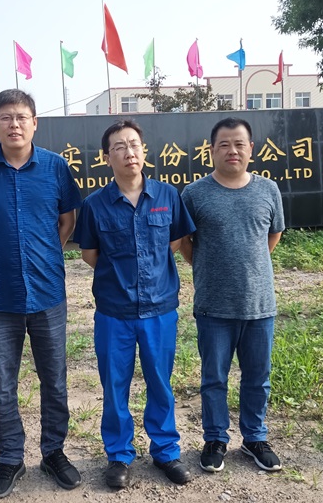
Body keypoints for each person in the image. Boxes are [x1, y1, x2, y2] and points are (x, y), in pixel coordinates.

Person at [0, 89, 83, 499]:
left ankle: (54, 452)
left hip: (48, 294)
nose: (14, 124)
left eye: (22, 117)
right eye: (6, 117)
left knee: (55, 380)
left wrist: (46, 254)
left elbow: (67, 221)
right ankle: (10, 458)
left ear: (35, 123)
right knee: (2, 385)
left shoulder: (55, 167)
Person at [74, 120, 196, 488]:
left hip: (160, 309)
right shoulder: (94, 205)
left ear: (144, 151)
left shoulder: (167, 196)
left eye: (134, 144)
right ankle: (119, 455)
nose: (129, 152)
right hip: (114, 312)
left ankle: (166, 452)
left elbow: (175, 242)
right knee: (115, 386)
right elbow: (90, 254)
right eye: (119, 147)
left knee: (160, 382)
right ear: (106, 157)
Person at [180, 117, 285, 474]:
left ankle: (255, 438)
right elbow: (185, 242)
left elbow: (273, 234)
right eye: (224, 144)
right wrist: (209, 267)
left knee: (258, 377)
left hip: (259, 306)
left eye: (239, 144)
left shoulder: (268, 190)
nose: (232, 150)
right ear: (211, 150)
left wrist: (251, 268)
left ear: (251, 148)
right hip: (213, 306)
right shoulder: (194, 194)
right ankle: (215, 439)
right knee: (214, 378)